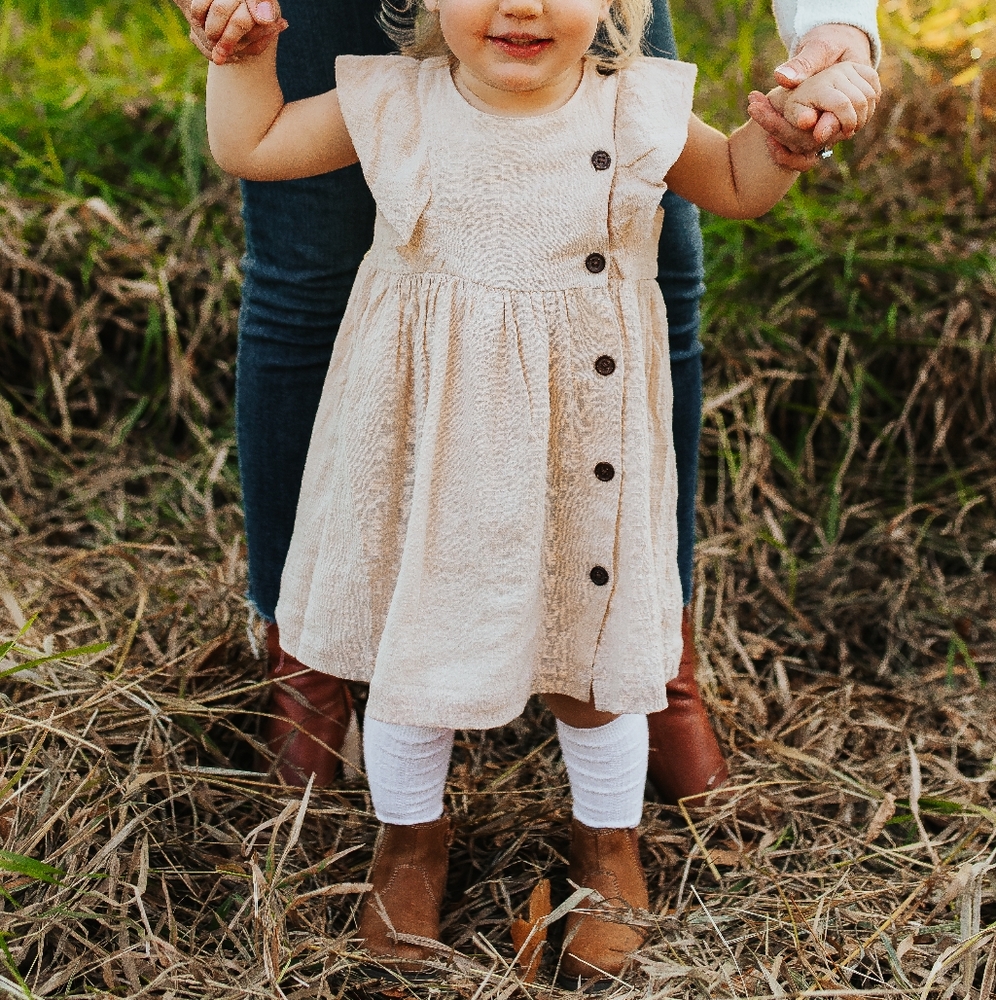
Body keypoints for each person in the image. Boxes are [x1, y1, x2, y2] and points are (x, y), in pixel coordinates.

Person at [200, 0, 880, 981]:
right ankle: (411, 840)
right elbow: (252, 145)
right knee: (413, 658)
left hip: (583, 450)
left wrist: (786, 138)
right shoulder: (393, 100)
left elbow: (736, 183)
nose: (521, 4)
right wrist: (246, 54)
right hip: (432, 457)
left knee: (589, 658)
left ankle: (607, 844)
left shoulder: (633, 106)